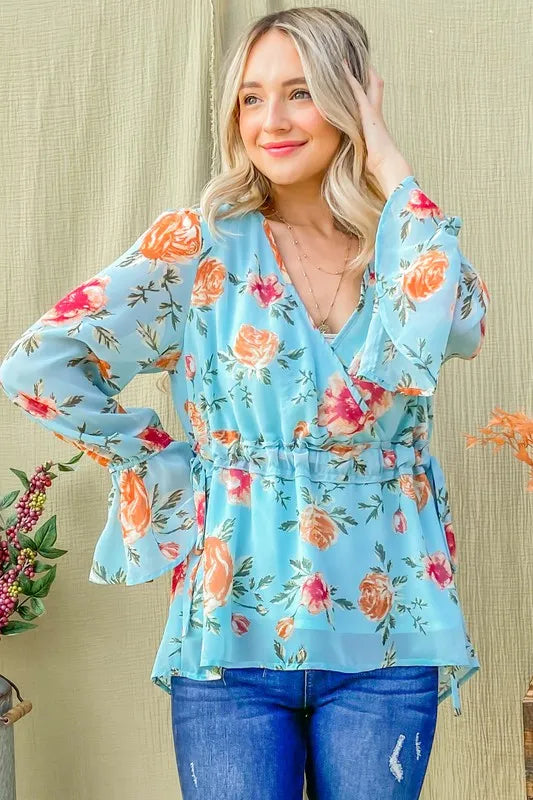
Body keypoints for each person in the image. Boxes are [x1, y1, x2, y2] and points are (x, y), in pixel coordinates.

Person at [0, 6, 490, 799]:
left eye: (300, 92)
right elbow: (39, 365)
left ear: (352, 99)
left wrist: (388, 161)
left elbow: (461, 324)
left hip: (389, 635)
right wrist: (163, 459)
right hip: (229, 640)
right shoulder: (198, 247)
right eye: (250, 98)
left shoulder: (404, 248)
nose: (271, 121)